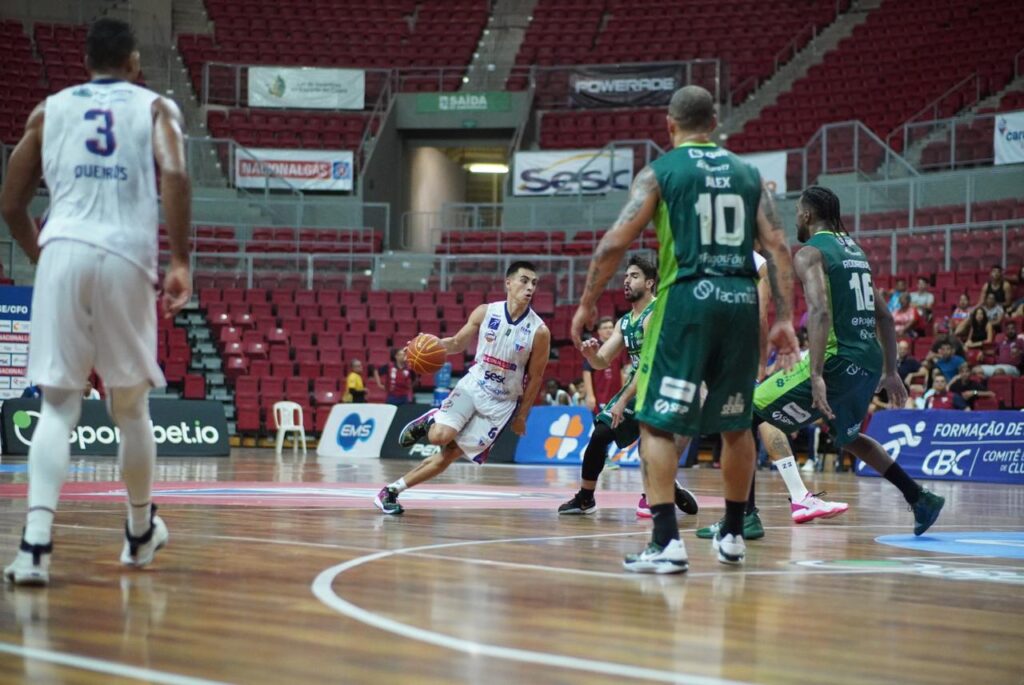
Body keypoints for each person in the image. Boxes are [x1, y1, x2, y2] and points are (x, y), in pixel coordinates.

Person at [571, 85, 800, 572]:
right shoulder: (748, 173)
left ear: (668, 125)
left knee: (655, 423)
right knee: (736, 424)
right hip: (741, 303)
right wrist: (782, 317)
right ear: (714, 122)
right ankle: (734, 534)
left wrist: (588, 302)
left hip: (687, 302)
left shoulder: (660, 172)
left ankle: (666, 542)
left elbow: (614, 243)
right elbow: (779, 247)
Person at [0, 18, 192, 585]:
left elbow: (11, 202)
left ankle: (34, 548)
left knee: (58, 406)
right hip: (127, 255)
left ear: (86, 63)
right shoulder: (156, 107)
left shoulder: (48, 110)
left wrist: (42, 255)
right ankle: (137, 534)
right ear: (134, 62)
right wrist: (180, 261)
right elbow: (176, 172)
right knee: (130, 408)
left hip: (62, 250)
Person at [751, 186, 944, 537]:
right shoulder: (855, 251)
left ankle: (744, 516)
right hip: (868, 359)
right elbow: (884, 317)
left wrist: (816, 373)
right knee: (851, 437)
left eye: (797, 210)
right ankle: (919, 498)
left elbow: (821, 310)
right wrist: (890, 371)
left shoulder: (810, 253)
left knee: (749, 411)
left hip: (836, 358)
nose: (796, 217)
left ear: (808, 215)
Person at [376, 261, 550, 514]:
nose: (530, 287)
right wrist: (420, 346)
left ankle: (390, 491)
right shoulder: (486, 312)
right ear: (508, 283)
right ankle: (433, 417)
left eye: (534, 283)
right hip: (473, 387)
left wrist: (522, 415)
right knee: (438, 436)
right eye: (524, 280)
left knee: (449, 454)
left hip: (501, 404)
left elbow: (536, 378)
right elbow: (457, 343)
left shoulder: (539, 331)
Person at [558, 255, 698, 518]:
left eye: (634, 276)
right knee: (600, 434)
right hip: (639, 383)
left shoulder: (655, 313)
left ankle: (657, 489)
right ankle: (585, 498)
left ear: (649, 283)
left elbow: (648, 365)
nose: (626, 281)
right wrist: (591, 355)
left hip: (663, 384)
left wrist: (622, 401)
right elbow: (602, 360)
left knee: (651, 443)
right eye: (625, 276)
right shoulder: (625, 322)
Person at [581, 316, 623, 413]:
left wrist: (623, 392)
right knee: (602, 426)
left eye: (611, 327)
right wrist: (590, 395)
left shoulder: (618, 348)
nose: (609, 330)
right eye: (605, 328)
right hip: (601, 396)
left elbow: (620, 371)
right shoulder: (594, 348)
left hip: (616, 395)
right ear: (599, 331)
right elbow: (586, 372)